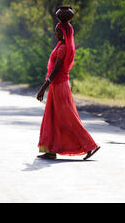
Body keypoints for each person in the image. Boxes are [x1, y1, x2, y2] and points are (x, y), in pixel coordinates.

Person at [36, 22, 100, 160]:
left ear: (64, 33)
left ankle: (90, 145)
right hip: (56, 85)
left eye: (57, 31)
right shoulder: (60, 45)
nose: (55, 33)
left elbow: (56, 69)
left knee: (68, 118)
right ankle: (51, 150)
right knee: (52, 116)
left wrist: (43, 86)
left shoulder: (63, 48)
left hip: (59, 86)